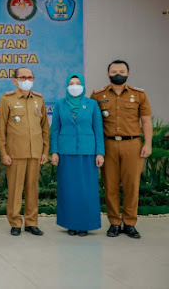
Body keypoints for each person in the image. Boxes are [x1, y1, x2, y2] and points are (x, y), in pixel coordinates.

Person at [90, 60, 153, 239]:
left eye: (122, 70)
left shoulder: (139, 95)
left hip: (132, 145)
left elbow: (146, 121)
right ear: (108, 74)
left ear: (128, 73)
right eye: (114, 71)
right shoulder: (98, 95)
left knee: (131, 185)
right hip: (108, 145)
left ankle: (130, 223)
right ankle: (115, 223)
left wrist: (147, 144)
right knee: (109, 185)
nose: (118, 73)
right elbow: (93, 123)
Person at [0, 67, 50, 236]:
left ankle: (31, 222)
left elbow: (45, 128)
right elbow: (2, 128)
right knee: (15, 189)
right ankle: (15, 222)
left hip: (35, 152)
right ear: (15, 80)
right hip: (15, 153)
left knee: (32, 189)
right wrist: (3, 152)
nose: (26, 80)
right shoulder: (7, 99)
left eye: (29, 77)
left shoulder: (39, 100)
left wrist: (45, 151)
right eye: (22, 77)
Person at [50, 73, 104, 236]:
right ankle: (70, 224)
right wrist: (54, 151)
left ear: (83, 86)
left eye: (78, 83)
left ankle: (85, 224)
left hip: (88, 153)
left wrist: (100, 153)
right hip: (66, 153)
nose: (75, 86)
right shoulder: (60, 104)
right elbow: (55, 129)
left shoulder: (92, 104)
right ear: (67, 86)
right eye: (72, 83)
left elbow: (98, 130)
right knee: (68, 189)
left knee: (86, 189)